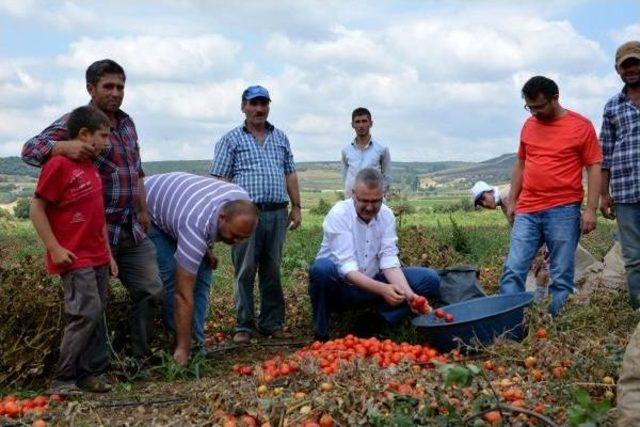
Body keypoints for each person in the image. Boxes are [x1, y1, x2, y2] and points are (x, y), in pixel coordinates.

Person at [21, 59, 164, 364]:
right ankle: (93, 369)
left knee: (150, 288)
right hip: (94, 230)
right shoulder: (78, 121)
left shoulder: (126, 123)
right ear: (91, 88)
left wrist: (142, 210)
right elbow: (30, 149)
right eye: (108, 86)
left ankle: (140, 356)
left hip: (129, 227)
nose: (116, 93)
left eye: (120, 87)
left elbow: (136, 169)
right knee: (94, 304)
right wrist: (62, 148)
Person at [29, 106, 118, 395]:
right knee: (85, 313)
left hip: (98, 255)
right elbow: (37, 208)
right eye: (103, 136)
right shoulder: (58, 165)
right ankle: (63, 379)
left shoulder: (92, 166)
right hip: (74, 255)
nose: (107, 142)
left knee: (97, 312)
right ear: (84, 134)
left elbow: (97, 216)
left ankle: (88, 375)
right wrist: (54, 248)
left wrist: (109, 254)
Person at [499, 76, 602, 315]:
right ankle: (511, 324)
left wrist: (590, 209)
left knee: (561, 274)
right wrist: (513, 200)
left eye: (539, 106)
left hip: (563, 210)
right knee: (514, 269)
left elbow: (594, 167)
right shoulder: (529, 125)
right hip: (528, 209)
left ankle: (556, 329)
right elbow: (521, 165)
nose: (534, 112)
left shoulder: (581, 126)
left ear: (555, 98)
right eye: (529, 107)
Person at [210, 85, 301, 343]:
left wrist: (296, 206)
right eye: (254, 104)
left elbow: (290, 173)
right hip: (244, 218)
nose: (259, 109)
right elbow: (219, 179)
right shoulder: (231, 139)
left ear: (268, 106)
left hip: (276, 213)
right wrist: (220, 216)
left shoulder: (281, 137)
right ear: (243, 107)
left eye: (264, 104)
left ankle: (272, 323)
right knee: (245, 270)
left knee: (272, 270)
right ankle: (244, 325)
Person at [308, 168, 440, 341]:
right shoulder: (339, 213)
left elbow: (389, 261)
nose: (369, 207)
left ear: (383, 195)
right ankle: (321, 334)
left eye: (376, 201)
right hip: (341, 289)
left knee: (429, 279)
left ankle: (374, 321)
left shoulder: (386, 215)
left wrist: (410, 296)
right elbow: (347, 269)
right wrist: (384, 289)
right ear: (353, 194)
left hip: (373, 283)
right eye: (364, 200)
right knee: (321, 269)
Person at [144, 172, 258, 365]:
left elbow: (206, 223)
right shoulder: (194, 223)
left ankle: (196, 345)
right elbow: (183, 294)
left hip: (182, 205)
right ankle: (180, 348)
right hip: (149, 208)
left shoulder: (243, 201)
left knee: (203, 277)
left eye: (243, 237)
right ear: (221, 218)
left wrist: (206, 251)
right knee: (175, 279)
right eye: (234, 235)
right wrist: (183, 348)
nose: (237, 242)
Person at [600, 40, 640, 310]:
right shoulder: (612, 106)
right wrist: (603, 194)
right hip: (626, 192)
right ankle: (639, 308)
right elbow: (604, 154)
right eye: (626, 65)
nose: (632, 69)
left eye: (636, 62)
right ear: (618, 70)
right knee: (634, 255)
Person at [341, 107, 391, 197]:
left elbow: (386, 177)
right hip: (352, 201)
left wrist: (379, 196)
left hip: (373, 202)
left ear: (371, 123)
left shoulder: (382, 149)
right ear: (352, 125)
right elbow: (345, 177)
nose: (361, 125)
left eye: (364, 121)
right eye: (357, 122)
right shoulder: (346, 151)